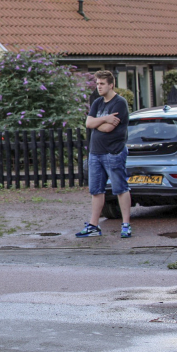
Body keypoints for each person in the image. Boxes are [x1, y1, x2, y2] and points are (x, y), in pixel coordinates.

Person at [77, 70, 131, 238]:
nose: (98, 87)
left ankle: (126, 225)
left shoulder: (120, 103)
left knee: (120, 188)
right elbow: (88, 123)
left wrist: (98, 122)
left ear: (111, 85)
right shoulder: (98, 102)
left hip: (113, 152)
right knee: (96, 190)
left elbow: (108, 128)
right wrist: (105, 118)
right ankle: (94, 226)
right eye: (97, 84)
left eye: (102, 84)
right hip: (95, 153)